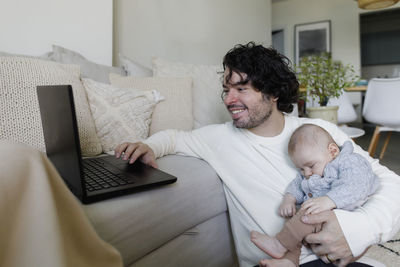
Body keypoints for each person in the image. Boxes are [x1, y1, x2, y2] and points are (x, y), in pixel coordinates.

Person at [114, 42, 400, 267]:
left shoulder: (319, 131)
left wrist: (359, 231)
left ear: (273, 93)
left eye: (241, 89)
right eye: (227, 90)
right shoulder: (217, 138)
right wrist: (148, 145)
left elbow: (387, 182)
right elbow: (174, 138)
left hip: (336, 254)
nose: (229, 100)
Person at [250, 124, 380, 266]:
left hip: (346, 227)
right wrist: (289, 199)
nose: (306, 173)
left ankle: (279, 243)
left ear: (333, 151)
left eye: (311, 166)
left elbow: (356, 185)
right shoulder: (311, 173)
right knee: (294, 221)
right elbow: (298, 184)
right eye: (301, 169)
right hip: (319, 232)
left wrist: (329, 200)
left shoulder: (349, 161)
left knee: (305, 217)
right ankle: (289, 261)